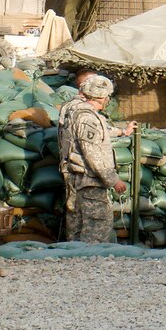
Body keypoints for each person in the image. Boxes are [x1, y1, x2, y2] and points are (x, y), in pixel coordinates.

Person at [58, 75, 128, 243]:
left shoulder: (72, 108)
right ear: (104, 98)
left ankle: (74, 264)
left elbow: (90, 134)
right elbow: (93, 153)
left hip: (75, 180)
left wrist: (121, 131)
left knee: (76, 227)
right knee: (97, 227)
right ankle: (91, 263)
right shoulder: (88, 118)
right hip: (89, 182)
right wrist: (113, 180)